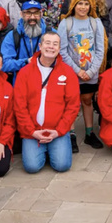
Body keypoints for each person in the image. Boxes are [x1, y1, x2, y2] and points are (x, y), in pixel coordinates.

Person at [13, 31, 81, 173]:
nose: (51, 47)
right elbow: (19, 106)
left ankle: (53, 149)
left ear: (59, 48)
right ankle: (45, 149)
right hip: (32, 131)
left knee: (62, 165)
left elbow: (73, 106)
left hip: (57, 130)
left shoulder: (68, 73)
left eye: (55, 44)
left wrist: (59, 131)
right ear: (40, 46)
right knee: (32, 167)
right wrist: (31, 131)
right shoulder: (25, 72)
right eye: (48, 43)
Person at [57, 0, 107, 150]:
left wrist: (92, 71)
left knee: (87, 101)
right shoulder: (66, 23)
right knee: (72, 102)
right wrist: (78, 71)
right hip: (72, 72)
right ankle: (70, 134)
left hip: (90, 72)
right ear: (74, 4)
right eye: (80, 3)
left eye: (86, 4)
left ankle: (89, 133)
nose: (83, 7)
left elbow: (100, 49)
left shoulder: (95, 22)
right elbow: (62, 50)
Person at [1, 0, 46, 79]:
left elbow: (60, 59)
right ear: (21, 14)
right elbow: (4, 64)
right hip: (21, 83)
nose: (32, 17)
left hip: (46, 82)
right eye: (28, 13)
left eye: (36, 13)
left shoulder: (50, 33)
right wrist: (26, 62)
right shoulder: (12, 36)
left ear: (41, 14)